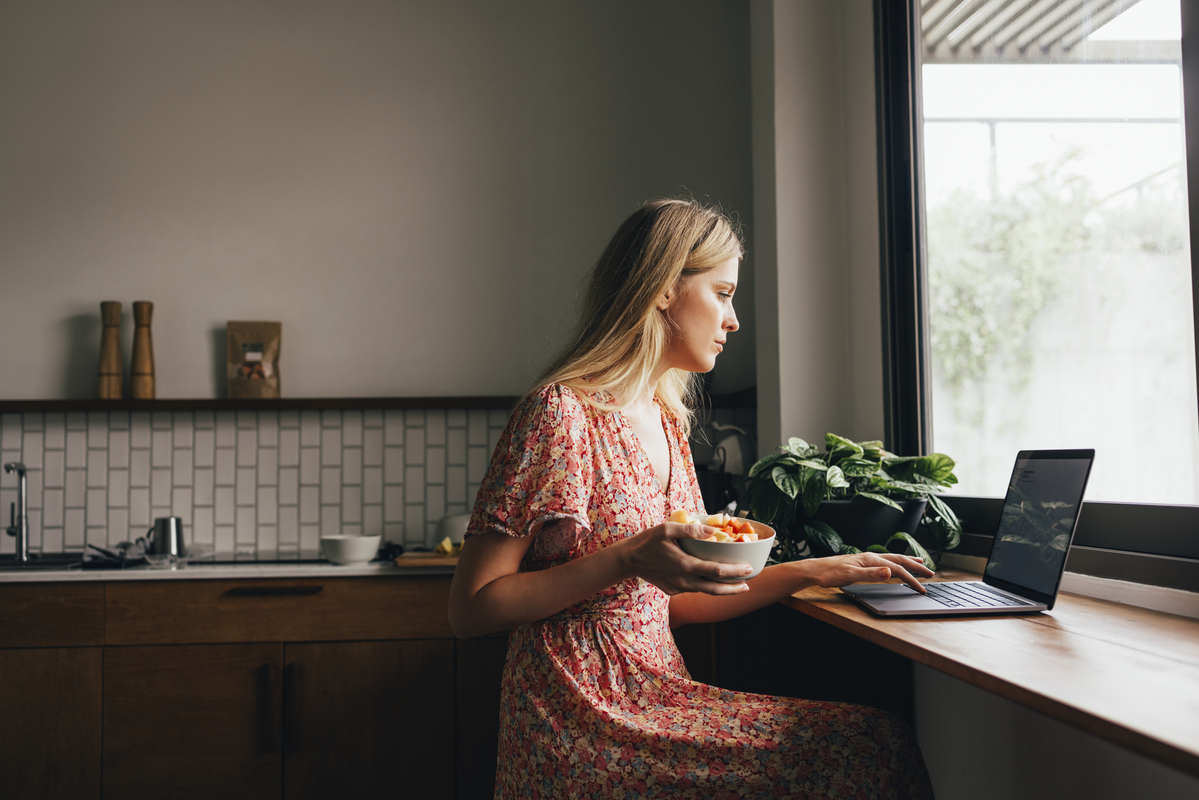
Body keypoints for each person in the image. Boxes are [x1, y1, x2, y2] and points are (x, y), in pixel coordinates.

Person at [448, 198, 936, 799]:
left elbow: (680, 602)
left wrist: (816, 570)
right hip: (577, 720)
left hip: (658, 694)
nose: (734, 321)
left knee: (875, 742)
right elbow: (469, 611)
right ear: (662, 289)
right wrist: (628, 557)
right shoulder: (559, 413)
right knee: (872, 749)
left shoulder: (667, 423)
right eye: (723, 293)